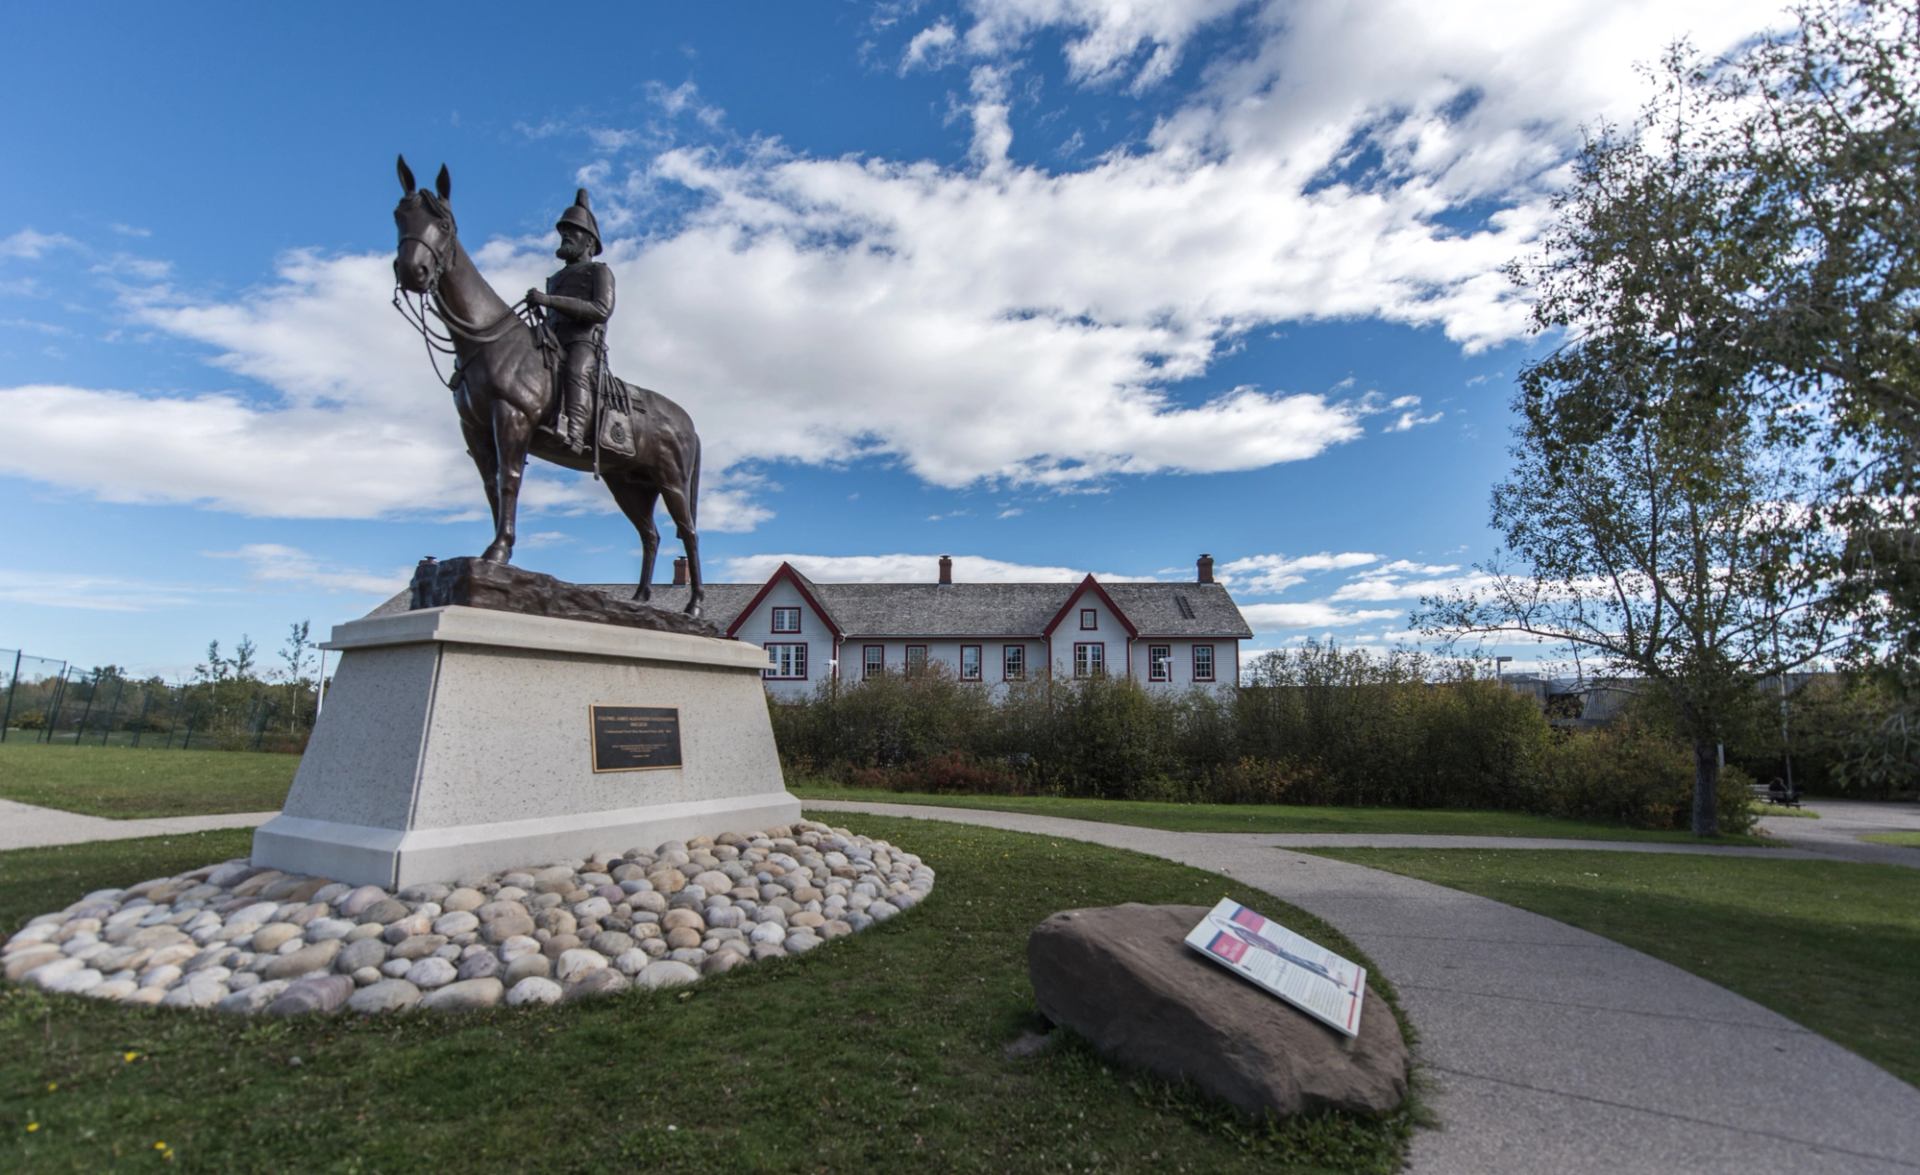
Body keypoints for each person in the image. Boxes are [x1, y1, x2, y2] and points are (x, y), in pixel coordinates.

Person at [526, 189, 613, 452]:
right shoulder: (554, 278)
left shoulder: (599, 271)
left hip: (583, 342)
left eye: (572, 231)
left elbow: (601, 310)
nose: (565, 235)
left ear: (589, 241)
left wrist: (549, 301)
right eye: (563, 230)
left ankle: (574, 434)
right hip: (552, 339)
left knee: (576, 371)